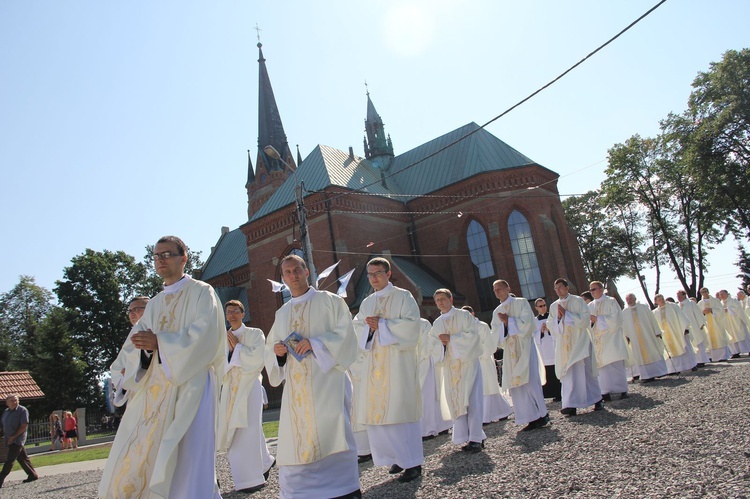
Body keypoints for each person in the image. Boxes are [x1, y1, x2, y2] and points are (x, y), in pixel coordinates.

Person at [99, 235, 226, 499]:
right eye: (156, 256)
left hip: (192, 384)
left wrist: (161, 343)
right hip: (156, 390)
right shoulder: (155, 303)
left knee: (190, 455)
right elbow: (134, 346)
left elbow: (206, 337)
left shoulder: (202, 292)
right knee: (147, 452)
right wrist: (142, 354)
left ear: (184, 258)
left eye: (167, 254)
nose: (161, 260)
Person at [264, 254, 361, 499]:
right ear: (283, 278)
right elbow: (271, 347)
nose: (293, 275)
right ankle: (302, 491)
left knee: (335, 431)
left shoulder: (330, 301)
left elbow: (346, 335)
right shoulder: (282, 312)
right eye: (287, 272)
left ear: (307, 272)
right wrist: (278, 354)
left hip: (327, 380)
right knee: (297, 438)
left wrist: (316, 343)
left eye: (297, 270)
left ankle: (345, 488)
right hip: (296, 390)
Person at [351, 257, 424, 482]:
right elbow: (357, 328)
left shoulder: (403, 296)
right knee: (382, 412)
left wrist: (382, 325)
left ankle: (413, 463)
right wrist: (369, 329)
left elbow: (413, 326)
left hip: (397, 364)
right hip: (375, 367)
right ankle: (397, 457)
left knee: (401, 411)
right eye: (370, 274)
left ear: (388, 273)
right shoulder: (367, 302)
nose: (374, 278)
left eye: (378, 273)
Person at [218, 300, 275, 494]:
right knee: (236, 430)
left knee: (248, 429)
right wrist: (231, 353)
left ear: (243, 313)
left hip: (250, 387)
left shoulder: (254, 333)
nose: (232, 315)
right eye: (228, 312)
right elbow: (218, 366)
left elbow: (258, 359)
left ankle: (251, 479)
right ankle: (265, 462)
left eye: (235, 311)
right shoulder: (222, 338)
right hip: (230, 390)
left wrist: (237, 350)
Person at [430, 289, 485, 452]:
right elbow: (432, 345)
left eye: (443, 299)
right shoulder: (437, 323)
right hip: (451, 368)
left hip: (468, 366)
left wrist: (452, 340)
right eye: (437, 300)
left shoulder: (464, 316)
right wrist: (441, 345)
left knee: (472, 401)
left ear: (451, 299)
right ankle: (465, 436)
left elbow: (473, 337)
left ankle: (476, 438)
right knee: (456, 401)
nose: (440, 302)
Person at [490, 280, 548, 432]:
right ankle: (529, 417)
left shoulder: (521, 302)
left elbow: (528, 324)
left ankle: (542, 414)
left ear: (508, 288)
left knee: (530, 381)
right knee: (516, 384)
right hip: (510, 351)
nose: (497, 292)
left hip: (525, 348)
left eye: (500, 289)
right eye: (495, 290)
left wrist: (509, 321)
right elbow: (495, 333)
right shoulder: (497, 311)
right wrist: (503, 325)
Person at [546, 278, 603, 416]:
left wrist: (567, 315)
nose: (558, 290)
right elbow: (550, 324)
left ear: (567, 288)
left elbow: (585, 319)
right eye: (555, 288)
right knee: (569, 373)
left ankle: (597, 399)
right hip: (565, 346)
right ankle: (570, 404)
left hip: (580, 342)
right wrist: (558, 319)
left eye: (560, 287)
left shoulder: (578, 301)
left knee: (587, 371)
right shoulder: (554, 306)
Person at [462, 305, 512, 425]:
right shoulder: (463, 329)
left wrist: (479, 354)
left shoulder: (482, 326)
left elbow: (489, 345)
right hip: (471, 362)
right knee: (479, 389)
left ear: (473, 313)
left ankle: (500, 412)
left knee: (489, 387)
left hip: (483, 360)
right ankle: (487, 415)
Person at [587, 281, 630, 400]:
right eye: (590, 290)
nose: (591, 292)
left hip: (612, 339)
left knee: (615, 364)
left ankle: (622, 390)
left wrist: (598, 319)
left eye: (593, 289)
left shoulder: (611, 301)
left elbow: (616, 320)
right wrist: (590, 321)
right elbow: (587, 323)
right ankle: (605, 392)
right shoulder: (590, 306)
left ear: (601, 289)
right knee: (602, 368)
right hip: (598, 341)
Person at [111, 295, 150, 408]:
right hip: (136, 395)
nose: (132, 313)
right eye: (130, 310)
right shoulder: (130, 337)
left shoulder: (156, 329)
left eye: (137, 309)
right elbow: (118, 369)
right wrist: (126, 376)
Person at [418, 317, 452, 439]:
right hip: (413, 365)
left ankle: (429, 428)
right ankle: (439, 425)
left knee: (428, 397)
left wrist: (423, 354)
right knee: (425, 398)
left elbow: (430, 343)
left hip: (425, 364)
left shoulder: (423, 323)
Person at [621, 294, 668, 382]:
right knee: (639, 355)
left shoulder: (643, 307)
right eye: (627, 299)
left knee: (653, 350)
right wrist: (626, 336)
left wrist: (657, 331)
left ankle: (660, 372)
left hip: (648, 334)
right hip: (635, 338)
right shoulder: (625, 312)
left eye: (631, 299)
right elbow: (624, 326)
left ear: (635, 298)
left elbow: (652, 319)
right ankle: (646, 376)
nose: (629, 301)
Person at [0, 395, 38, 488]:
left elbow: (24, 425)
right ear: (7, 403)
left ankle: (0, 478)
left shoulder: (22, 410)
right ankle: (32, 475)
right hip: (9, 439)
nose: (14, 402)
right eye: (12, 401)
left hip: (17, 439)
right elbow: (3, 426)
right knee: (22, 458)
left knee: (10, 460)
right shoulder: (6, 412)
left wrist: (14, 437)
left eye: (16, 400)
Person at [653, 294, 697, 373]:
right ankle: (674, 369)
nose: (661, 300)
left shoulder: (673, 306)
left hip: (678, 331)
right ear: (656, 302)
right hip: (666, 334)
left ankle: (691, 365)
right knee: (670, 351)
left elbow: (681, 316)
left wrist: (685, 328)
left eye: (662, 298)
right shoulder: (655, 312)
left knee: (684, 347)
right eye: (659, 299)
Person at [533, 298, 561, 401]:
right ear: (536, 308)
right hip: (543, 351)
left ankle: (559, 393)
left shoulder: (552, 318)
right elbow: (533, 336)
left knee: (556, 370)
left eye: (544, 305)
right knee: (547, 371)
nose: (543, 307)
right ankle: (549, 393)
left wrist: (550, 330)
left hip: (553, 348)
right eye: (540, 306)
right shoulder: (534, 321)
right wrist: (540, 331)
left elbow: (558, 330)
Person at [676, 290, 710, 366]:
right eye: (677, 296)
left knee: (698, 342)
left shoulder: (691, 303)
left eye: (679, 295)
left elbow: (698, 314)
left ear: (684, 295)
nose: (678, 297)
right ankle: (693, 361)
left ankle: (701, 360)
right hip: (684, 328)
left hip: (694, 326)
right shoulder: (677, 305)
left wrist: (700, 324)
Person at [698, 287, 732, 362]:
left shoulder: (715, 300)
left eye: (705, 291)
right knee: (709, 339)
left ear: (708, 292)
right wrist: (703, 313)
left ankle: (723, 356)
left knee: (720, 338)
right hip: (707, 324)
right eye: (703, 292)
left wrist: (712, 310)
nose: (704, 293)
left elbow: (721, 311)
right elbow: (698, 314)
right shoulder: (700, 303)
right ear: (701, 294)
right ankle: (711, 357)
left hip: (717, 323)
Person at [718, 290, 750, 357]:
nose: (721, 296)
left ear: (727, 294)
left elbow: (738, 309)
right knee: (731, 337)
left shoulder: (733, 300)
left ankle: (748, 350)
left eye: (722, 294)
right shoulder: (720, 303)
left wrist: (728, 309)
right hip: (727, 323)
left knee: (742, 335)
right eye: (720, 295)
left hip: (736, 322)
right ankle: (735, 352)